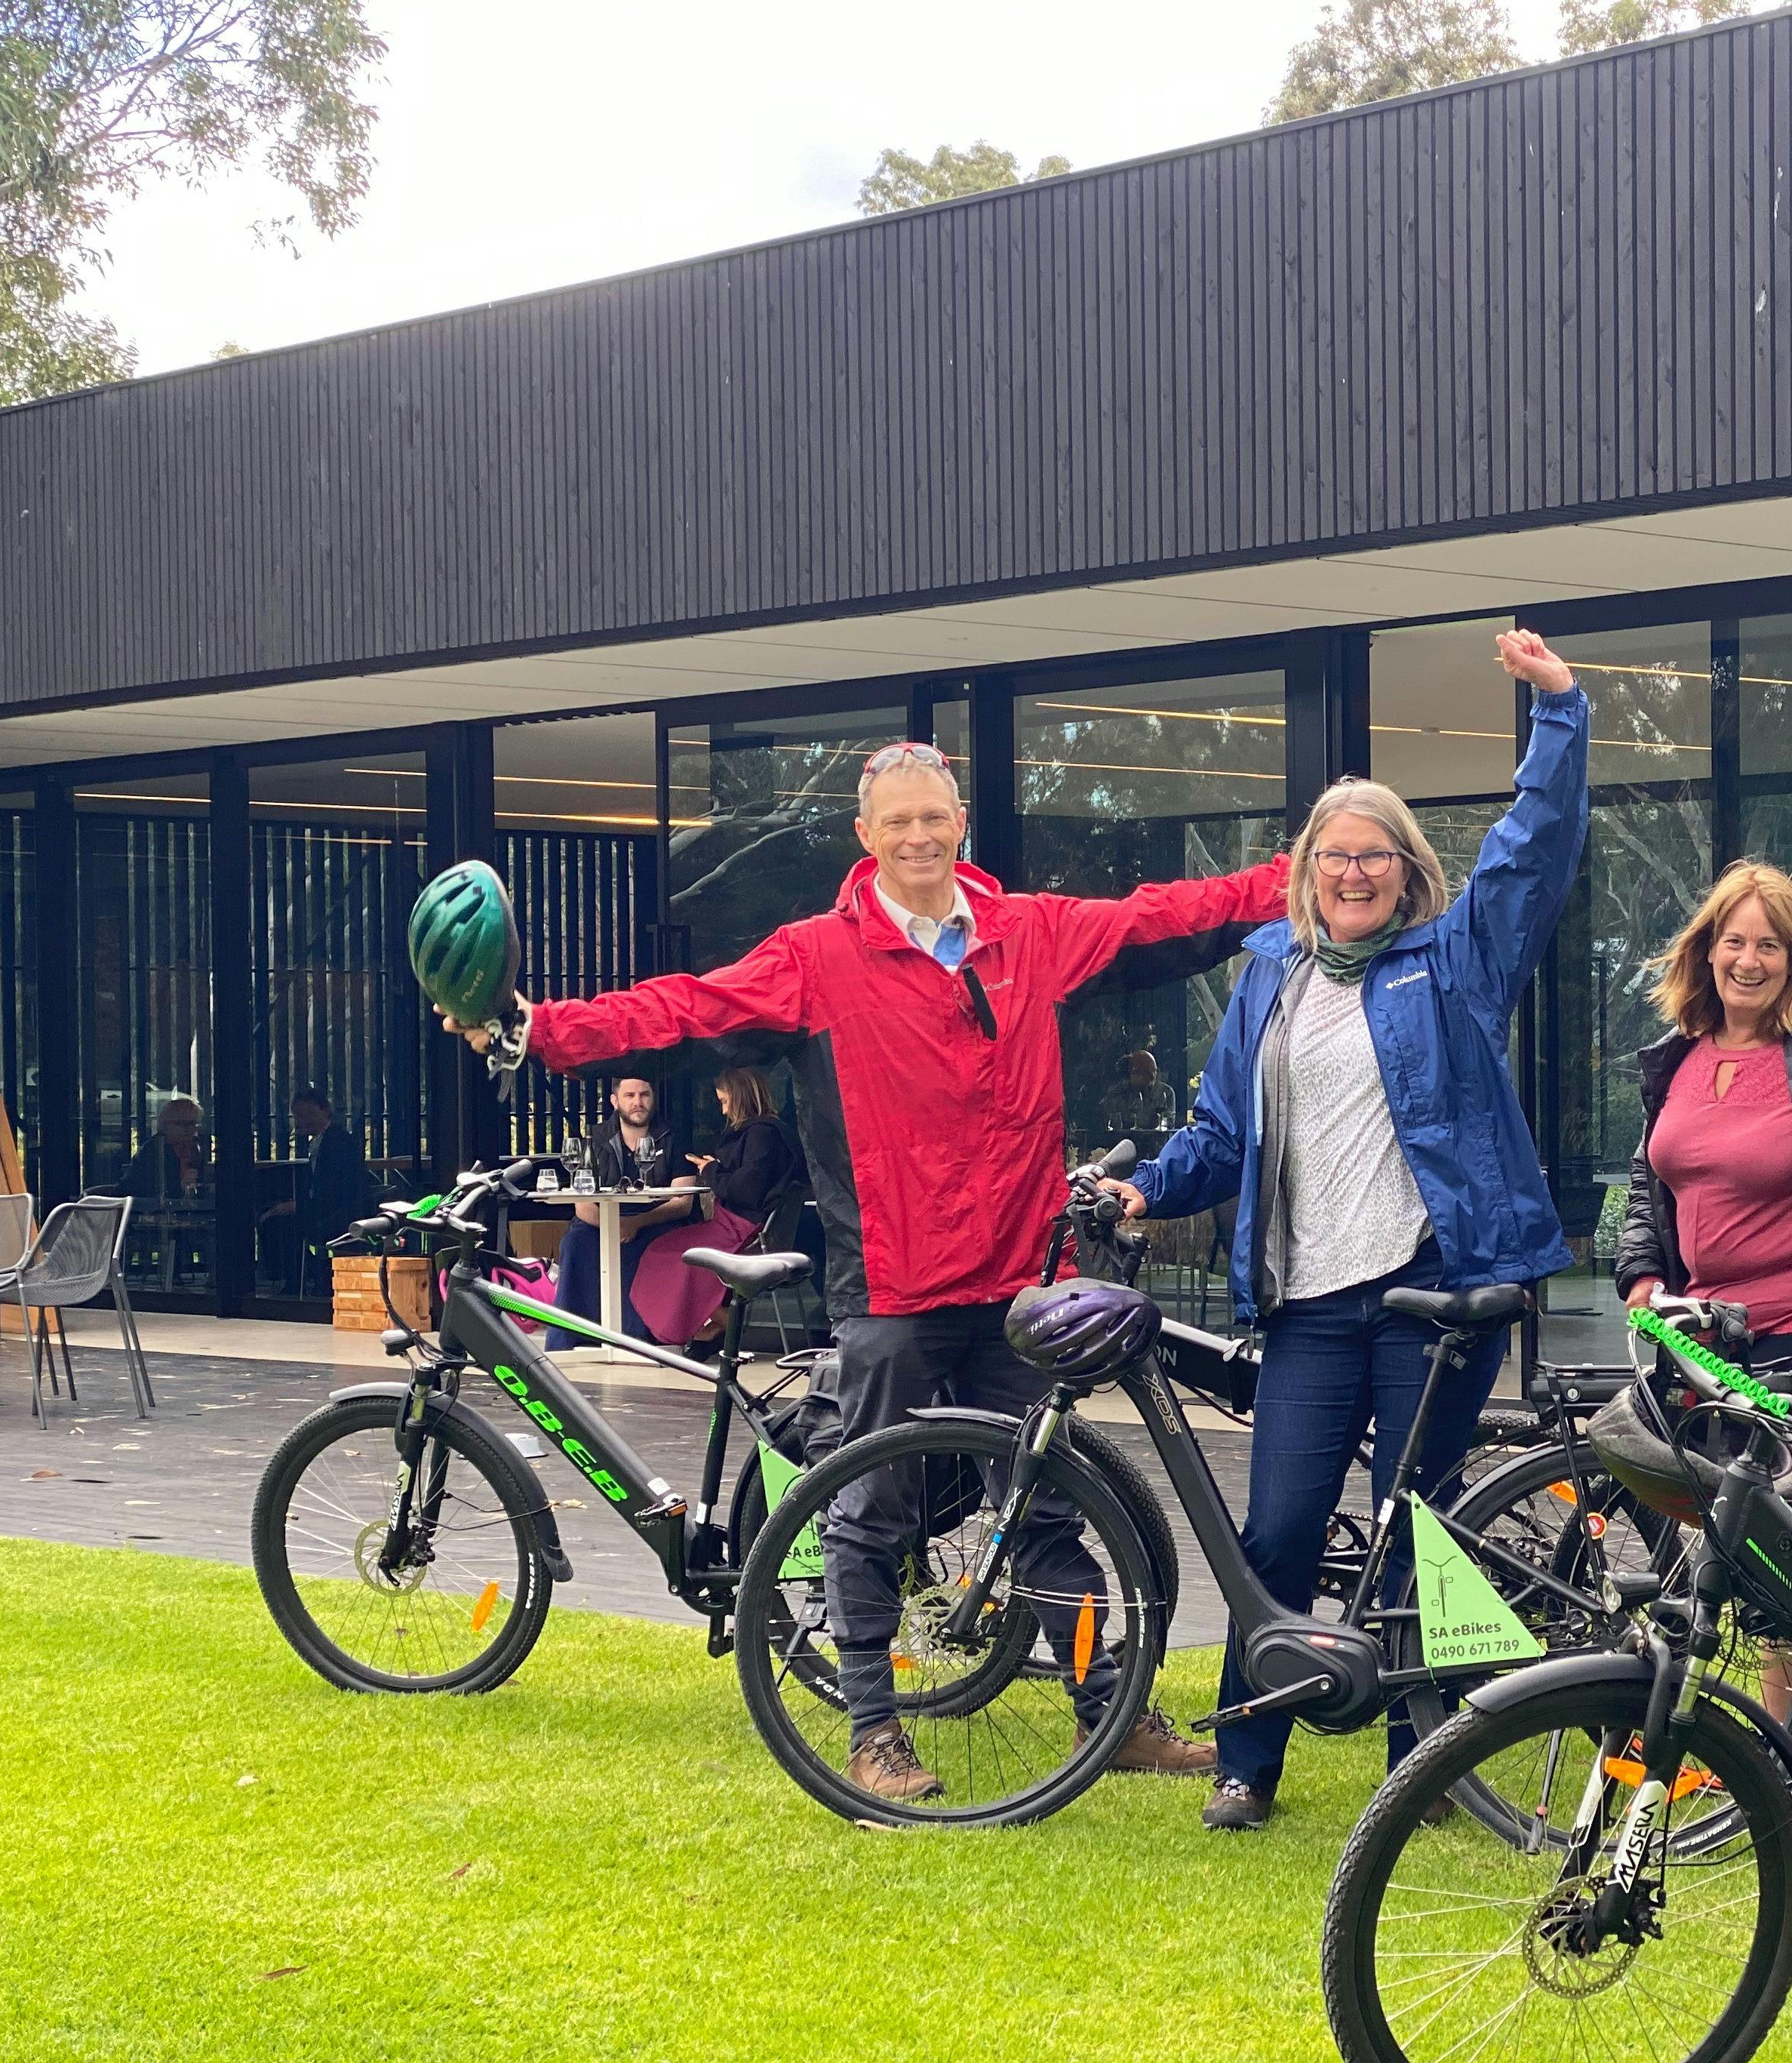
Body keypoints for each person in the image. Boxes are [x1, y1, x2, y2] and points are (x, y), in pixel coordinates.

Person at [454, 739, 1286, 1800]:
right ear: (866, 836)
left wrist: (1301, 876)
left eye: (933, 817)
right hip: (894, 1287)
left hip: (1018, 1282)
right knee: (869, 1512)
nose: (917, 836)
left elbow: (1163, 916)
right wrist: (536, 1031)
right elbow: (682, 1009)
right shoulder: (816, 957)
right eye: (897, 821)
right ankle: (874, 1735)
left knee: (1043, 1513)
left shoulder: (1031, 933)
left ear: (961, 824)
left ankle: (1108, 1712)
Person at [1102, 629, 1589, 1832]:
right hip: (1310, 1300)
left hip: (1434, 1291)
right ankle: (1246, 1761)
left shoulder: (1456, 960)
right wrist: (1146, 1190)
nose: (1355, 873)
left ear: (1406, 871)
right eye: (1336, 856)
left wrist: (1558, 712)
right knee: (1275, 1530)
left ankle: (1421, 1761)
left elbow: (1530, 855)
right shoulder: (1271, 975)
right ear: (1307, 873)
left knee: (1418, 1525)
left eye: (1375, 855)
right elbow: (1223, 1131)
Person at [1614, 859, 1792, 1384]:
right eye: (1734, 942)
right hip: (1699, 1336)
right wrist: (1642, 1271)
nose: (1748, 961)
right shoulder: (1675, 1057)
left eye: (1769, 946)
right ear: (1708, 950)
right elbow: (1648, 1182)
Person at [629, 1065, 807, 1345]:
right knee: (665, 1249)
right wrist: (717, 1169)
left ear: (740, 1098)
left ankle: (723, 1320)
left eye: (725, 1102)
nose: (723, 1111)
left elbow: (745, 1190)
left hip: (743, 1229)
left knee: (668, 1252)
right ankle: (714, 1319)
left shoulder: (761, 1135)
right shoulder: (768, 1133)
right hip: (747, 1226)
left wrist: (711, 1170)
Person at [546, 1074, 702, 1348]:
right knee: (574, 1243)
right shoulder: (595, 1138)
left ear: (653, 1099)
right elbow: (582, 1204)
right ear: (615, 1101)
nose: (638, 1102)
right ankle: (570, 1340)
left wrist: (637, 1223)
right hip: (602, 1221)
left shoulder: (674, 1136)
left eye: (644, 1095)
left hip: (656, 1220)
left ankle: (638, 1342)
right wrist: (614, 1226)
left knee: (649, 1248)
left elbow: (682, 1202)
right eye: (630, 1096)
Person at [257, 1088, 370, 1294]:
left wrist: (297, 1206)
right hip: (329, 1208)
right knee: (275, 1216)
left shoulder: (337, 1143)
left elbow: (332, 1190)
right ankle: (307, 1275)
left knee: (275, 1222)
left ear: (326, 1111)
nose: (303, 1120)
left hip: (338, 1213)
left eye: (309, 1113)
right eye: (298, 1115)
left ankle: (300, 1278)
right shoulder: (329, 1140)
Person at [121, 1098, 208, 1202]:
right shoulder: (154, 1150)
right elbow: (149, 1190)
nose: (187, 1129)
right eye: (181, 1123)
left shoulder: (195, 1148)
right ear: (166, 1125)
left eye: (192, 1123)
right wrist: (180, 1186)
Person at [1096, 1050, 1179, 1140]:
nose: (1153, 1076)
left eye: (1154, 1071)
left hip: (1156, 1144)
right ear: (1132, 1073)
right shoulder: (1116, 1093)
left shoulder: (1165, 1092)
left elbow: (1168, 1125)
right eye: (1146, 1072)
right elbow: (1107, 1126)